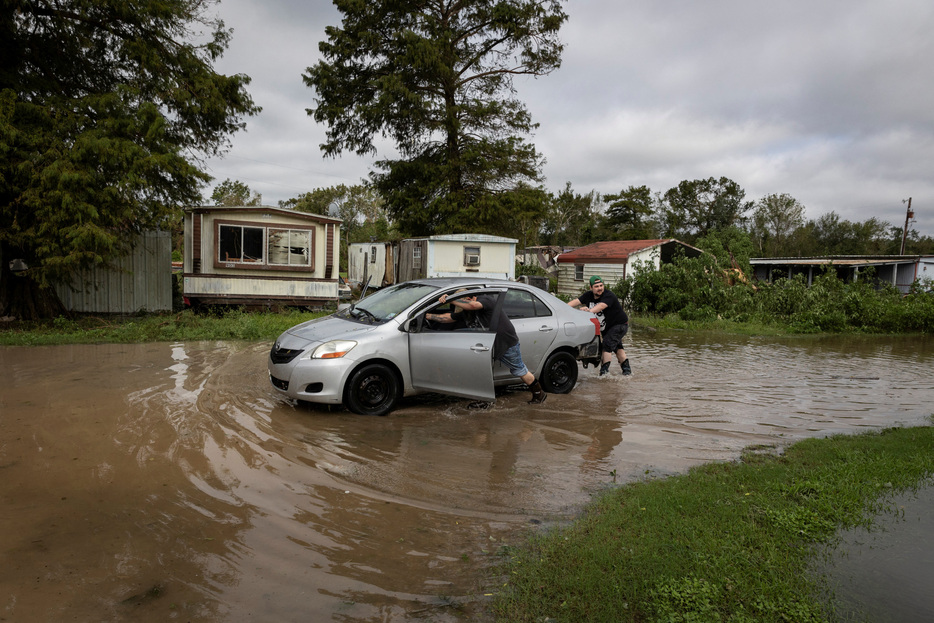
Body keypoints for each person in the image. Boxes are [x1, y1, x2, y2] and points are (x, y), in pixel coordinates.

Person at [427, 291, 547, 404]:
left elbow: (473, 305)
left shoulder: (485, 300)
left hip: (505, 342)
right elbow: (449, 317)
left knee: (520, 370)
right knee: (481, 371)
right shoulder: (467, 311)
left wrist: (450, 299)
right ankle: (485, 401)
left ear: (469, 298)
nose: (462, 308)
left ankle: (539, 395)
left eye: (463, 304)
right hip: (489, 344)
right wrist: (427, 316)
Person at [568, 275, 632, 376]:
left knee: (606, 345)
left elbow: (601, 306)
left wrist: (589, 311)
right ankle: (627, 371)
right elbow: (575, 302)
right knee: (617, 347)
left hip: (619, 325)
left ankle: (604, 374)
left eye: (601, 285)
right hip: (608, 328)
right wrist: (562, 309)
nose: (600, 288)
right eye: (596, 286)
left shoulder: (608, 295)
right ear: (591, 288)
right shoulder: (588, 295)